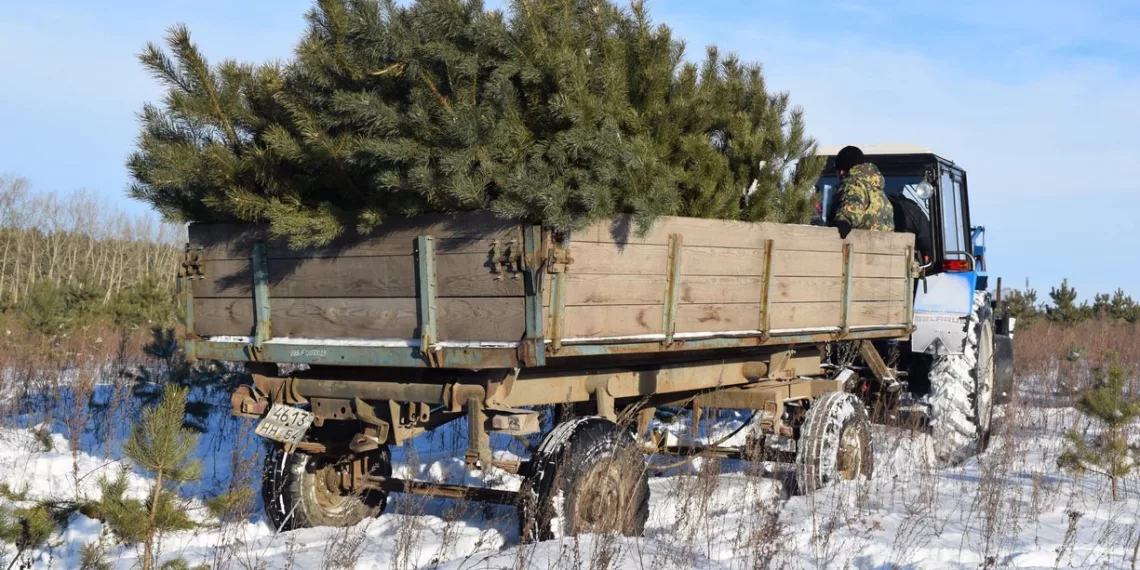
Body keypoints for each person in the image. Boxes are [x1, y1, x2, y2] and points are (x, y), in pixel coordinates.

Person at [830, 146, 894, 238]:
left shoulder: (853, 184)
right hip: (884, 246)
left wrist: (843, 221)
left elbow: (852, 203)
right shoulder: (878, 190)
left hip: (860, 246)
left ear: (842, 171)